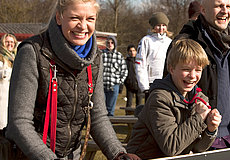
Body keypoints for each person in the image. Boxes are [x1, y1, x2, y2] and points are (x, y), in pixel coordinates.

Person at [5, 0, 140, 159]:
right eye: (75, 18)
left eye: (90, 19)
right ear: (59, 17)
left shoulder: (95, 57)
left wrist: (118, 153)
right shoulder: (33, 52)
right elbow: (19, 123)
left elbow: (97, 117)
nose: (83, 26)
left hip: (72, 155)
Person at [165, 0, 230, 149]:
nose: (225, 11)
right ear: (203, 10)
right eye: (219, 6)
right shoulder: (185, 43)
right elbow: (171, 96)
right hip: (199, 140)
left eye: (228, 6)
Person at [127, 38, 222, 159]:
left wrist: (210, 130)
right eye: (186, 69)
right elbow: (171, 147)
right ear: (171, 69)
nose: (192, 76)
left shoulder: (200, 99)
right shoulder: (159, 98)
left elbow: (198, 148)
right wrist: (199, 118)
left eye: (198, 70)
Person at [135, 12, 172, 102]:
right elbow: (140, 64)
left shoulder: (169, 42)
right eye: (158, 25)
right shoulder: (146, 41)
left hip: (166, 82)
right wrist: (144, 86)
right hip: (151, 83)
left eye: (163, 25)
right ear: (153, 26)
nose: (161, 28)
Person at [102, 36, 128, 116]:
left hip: (114, 86)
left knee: (110, 110)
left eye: (112, 43)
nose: (110, 44)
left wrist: (120, 82)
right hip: (102, 86)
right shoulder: (101, 54)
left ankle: (109, 127)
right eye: (108, 43)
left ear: (115, 44)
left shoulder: (119, 56)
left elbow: (124, 71)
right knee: (101, 109)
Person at [0, 33, 17, 134]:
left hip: (13, 95)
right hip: (2, 96)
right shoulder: (1, 57)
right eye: (7, 42)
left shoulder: (15, 57)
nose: (10, 44)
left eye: (12, 42)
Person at [124, 44, 142, 109]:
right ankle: (127, 117)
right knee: (129, 104)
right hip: (129, 86)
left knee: (139, 105)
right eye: (130, 51)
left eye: (134, 50)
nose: (132, 52)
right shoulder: (125, 62)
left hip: (139, 85)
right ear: (128, 52)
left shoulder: (139, 61)